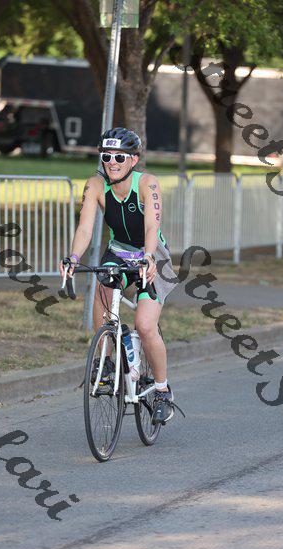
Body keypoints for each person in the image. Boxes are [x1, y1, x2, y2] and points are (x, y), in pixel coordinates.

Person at [60, 127, 178, 425]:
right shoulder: (95, 185)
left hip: (151, 254)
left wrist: (148, 256)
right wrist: (73, 258)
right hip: (119, 251)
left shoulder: (148, 183)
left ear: (133, 160)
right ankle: (107, 362)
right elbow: (85, 228)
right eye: (106, 156)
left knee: (145, 325)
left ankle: (162, 391)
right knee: (101, 290)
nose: (112, 162)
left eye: (119, 157)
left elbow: (151, 226)